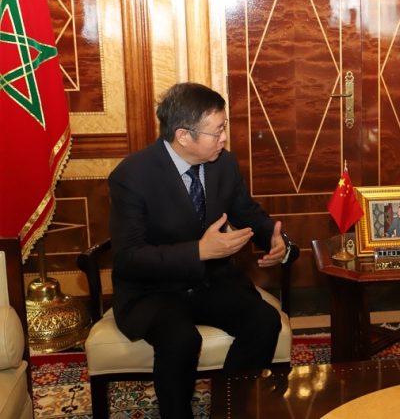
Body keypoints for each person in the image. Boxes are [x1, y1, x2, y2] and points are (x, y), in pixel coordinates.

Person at [108, 82, 296, 418]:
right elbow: (128, 258)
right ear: (183, 136)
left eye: (224, 127)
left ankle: (229, 410)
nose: (224, 138)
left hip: (211, 281)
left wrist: (275, 240)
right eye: (217, 131)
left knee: (264, 322)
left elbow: (246, 211)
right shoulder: (132, 176)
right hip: (154, 290)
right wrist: (198, 251)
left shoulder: (223, 164)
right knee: (181, 340)